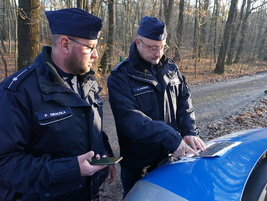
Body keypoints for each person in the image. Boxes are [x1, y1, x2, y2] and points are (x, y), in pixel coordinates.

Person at [0, 8, 116, 201]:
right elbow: (6, 164)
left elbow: (92, 128)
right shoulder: (18, 92)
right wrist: (71, 169)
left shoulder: (87, 82)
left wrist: (106, 155)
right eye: (90, 47)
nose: (96, 55)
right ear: (65, 44)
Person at [107, 16, 206, 197]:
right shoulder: (120, 77)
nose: (158, 53)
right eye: (152, 48)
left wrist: (190, 131)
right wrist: (169, 136)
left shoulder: (171, 68)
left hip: (170, 156)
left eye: (162, 47)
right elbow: (130, 120)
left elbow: (184, 101)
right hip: (138, 161)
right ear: (138, 43)